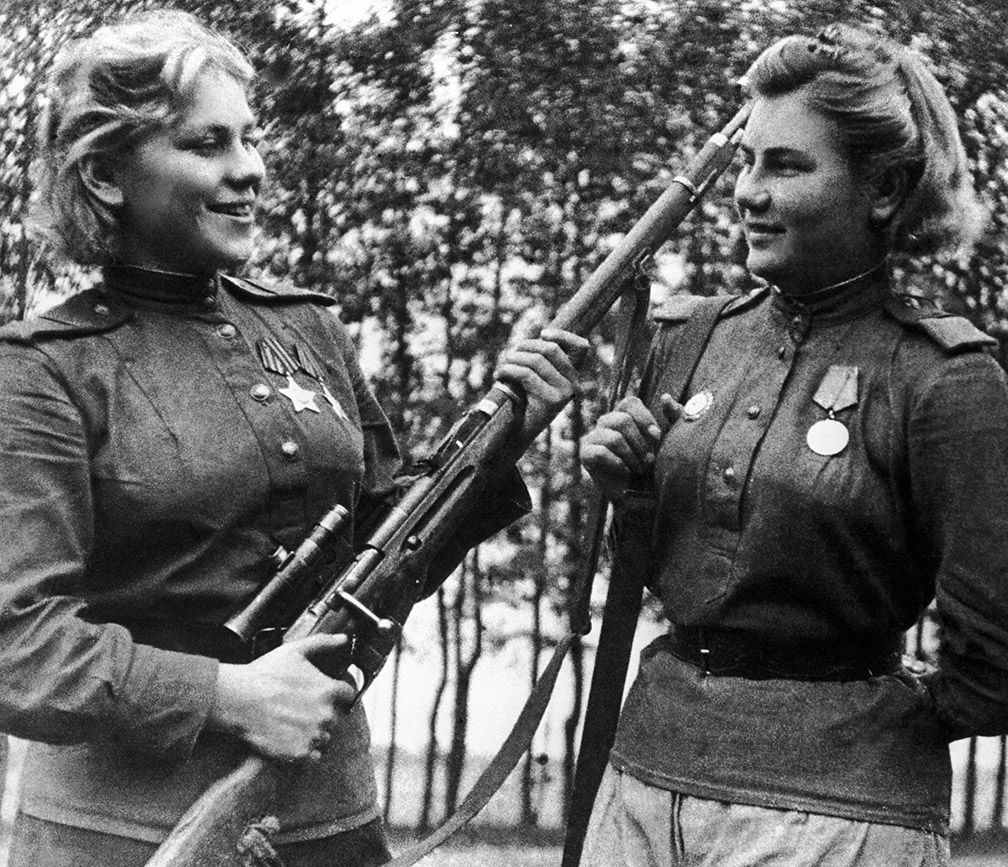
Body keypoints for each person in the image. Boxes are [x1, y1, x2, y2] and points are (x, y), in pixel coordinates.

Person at [0, 9, 587, 867]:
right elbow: (19, 644)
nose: (251, 171)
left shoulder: (306, 328)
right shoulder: (44, 368)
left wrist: (500, 441)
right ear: (106, 176)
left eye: (251, 138)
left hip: (331, 817)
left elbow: (391, 546)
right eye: (207, 145)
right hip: (129, 834)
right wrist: (225, 695)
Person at [577, 22, 1008, 867]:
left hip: (834, 821)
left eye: (786, 165)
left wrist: (862, 723)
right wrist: (626, 489)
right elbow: (676, 574)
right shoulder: (691, 338)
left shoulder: (942, 377)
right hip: (642, 786)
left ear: (883, 189)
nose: (747, 191)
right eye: (748, 161)